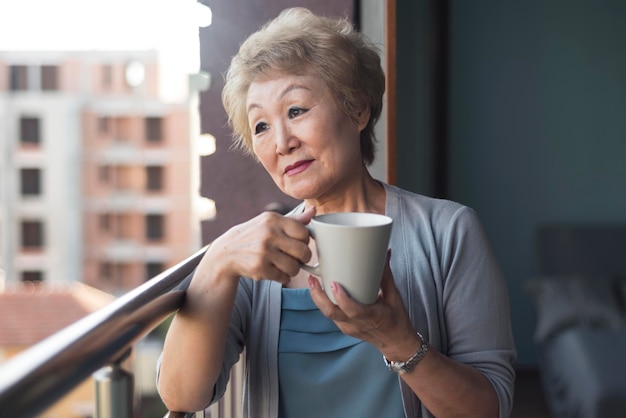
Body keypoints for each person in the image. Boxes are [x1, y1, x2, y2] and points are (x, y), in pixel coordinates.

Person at [157, 7, 516, 418]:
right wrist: (217, 262)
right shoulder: (256, 256)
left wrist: (397, 340)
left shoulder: (449, 232)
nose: (281, 142)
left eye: (296, 110)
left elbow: (490, 410)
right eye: (260, 126)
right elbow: (181, 397)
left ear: (358, 110)